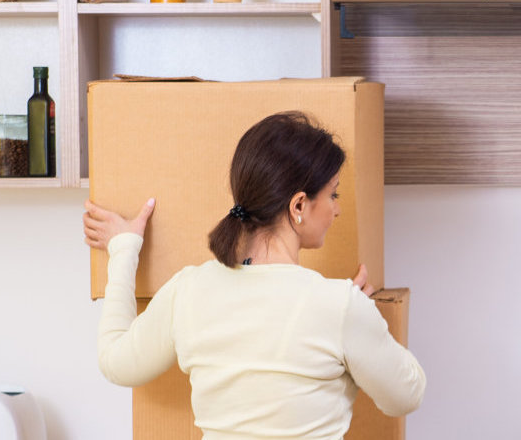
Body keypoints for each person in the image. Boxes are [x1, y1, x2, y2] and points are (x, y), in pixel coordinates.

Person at [85, 111, 424, 439]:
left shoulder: (189, 290)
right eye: (332, 194)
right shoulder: (340, 306)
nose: (336, 208)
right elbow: (406, 396)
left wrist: (124, 248)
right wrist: (358, 321)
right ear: (299, 206)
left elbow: (116, 361)